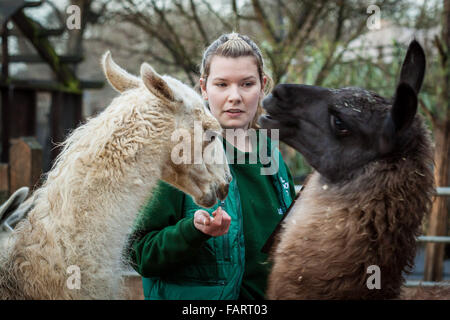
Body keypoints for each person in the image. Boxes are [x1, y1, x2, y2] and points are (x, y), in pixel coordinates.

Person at [128, 33, 296, 300]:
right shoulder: (181, 154)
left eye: (247, 84)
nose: (235, 96)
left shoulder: (270, 153)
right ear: (204, 88)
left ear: (262, 86)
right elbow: (141, 254)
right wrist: (192, 231)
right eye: (222, 84)